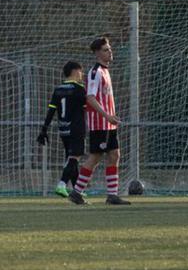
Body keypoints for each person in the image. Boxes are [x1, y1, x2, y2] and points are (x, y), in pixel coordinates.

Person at [68, 37, 130, 205]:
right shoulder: (95, 72)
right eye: (105, 50)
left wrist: (112, 115)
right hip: (100, 123)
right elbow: (90, 98)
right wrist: (106, 116)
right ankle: (77, 192)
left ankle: (111, 195)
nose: (110, 52)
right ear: (97, 53)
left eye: (109, 49)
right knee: (95, 157)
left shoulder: (105, 71)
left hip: (108, 123)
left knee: (114, 154)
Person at [37, 61, 87, 198]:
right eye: (80, 71)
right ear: (75, 71)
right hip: (76, 128)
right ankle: (62, 184)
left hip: (63, 129)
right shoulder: (79, 89)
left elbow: (51, 111)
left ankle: (78, 190)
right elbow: (88, 107)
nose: (81, 74)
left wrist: (44, 129)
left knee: (70, 158)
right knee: (74, 158)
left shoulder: (58, 89)